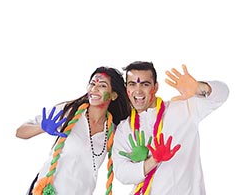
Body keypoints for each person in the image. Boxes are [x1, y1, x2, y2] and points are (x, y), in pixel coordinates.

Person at [112, 61, 229, 195]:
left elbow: (223, 93)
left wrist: (198, 87)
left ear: (155, 87)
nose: (138, 90)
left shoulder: (182, 109)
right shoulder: (124, 129)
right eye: (132, 84)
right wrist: (153, 160)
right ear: (127, 88)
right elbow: (122, 174)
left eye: (145, 84)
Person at [16, 66, 131, 195]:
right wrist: (42, 128)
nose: (94, 89)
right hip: (46, 191)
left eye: (102, 86)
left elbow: (126, 161)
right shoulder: (68, 112)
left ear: (114, 95)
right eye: (92, 83)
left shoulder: (114, 131)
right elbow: (20, 132)